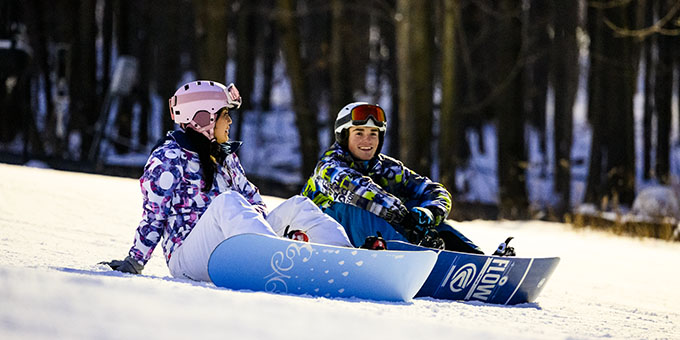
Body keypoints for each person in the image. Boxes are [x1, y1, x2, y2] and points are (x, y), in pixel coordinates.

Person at [102, 80, 352, 282]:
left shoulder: (223, 155)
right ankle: (270, 259)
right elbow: (154, 215)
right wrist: (135, 261)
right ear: (203, 118)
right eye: (225, 115)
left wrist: (276, 227)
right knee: (227, 202)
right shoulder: (168, 157)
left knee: (299, 205)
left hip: (234, 247)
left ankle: (347, 260)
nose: (230, 122)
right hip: (188, 258)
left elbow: (252, 198)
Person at [301, 102, 486, 254]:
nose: (367, 141)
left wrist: (429, 213)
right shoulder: (328, 166)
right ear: (343, 136)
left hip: (370, 244)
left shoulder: (387, 168)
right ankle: (414, 255)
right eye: (359, 133)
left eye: (373, 134)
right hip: (319, 244)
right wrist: (405, 220)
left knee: (419, 210)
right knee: (358, 207)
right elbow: (358, 190)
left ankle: (474, 259)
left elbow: (432, 190)